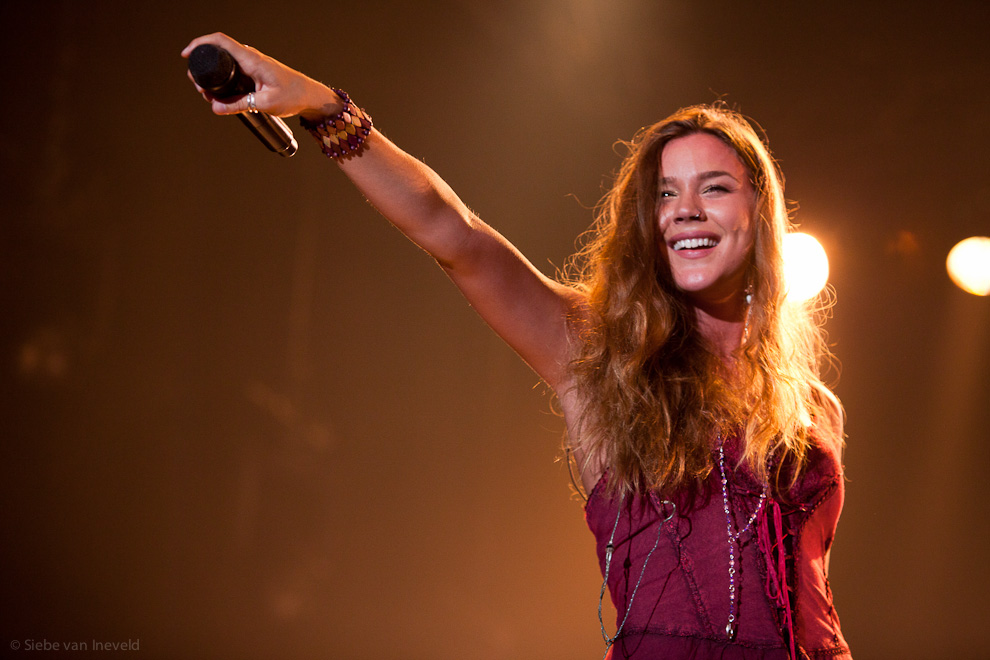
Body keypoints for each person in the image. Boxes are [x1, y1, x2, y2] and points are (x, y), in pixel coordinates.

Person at [182, 32, 852, 660]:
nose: (685, 208)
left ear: (759, 215)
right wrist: (322, 106)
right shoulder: (599, 353)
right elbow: (457, 235)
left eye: (715, 187)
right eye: (665, 194)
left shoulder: (812, 406)